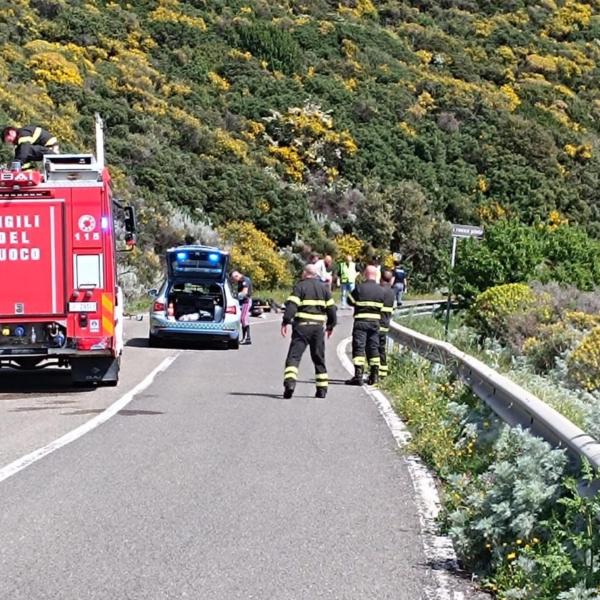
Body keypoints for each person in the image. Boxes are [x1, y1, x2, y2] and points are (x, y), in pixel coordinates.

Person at [281, 263, 337, 399]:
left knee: (294, 357)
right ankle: (322, 389)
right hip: (317, 328)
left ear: (305, 273)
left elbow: (292, 306)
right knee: (318, 358)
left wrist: (286, 321)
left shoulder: (300, 286)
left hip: (301, 327)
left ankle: (290, 384)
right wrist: (330, 325)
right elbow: (331, 310)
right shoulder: (324, 288)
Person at [346, 265, 385, 386]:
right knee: (374, 348)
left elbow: (349, 300)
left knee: (359, 347)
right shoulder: (381, 290)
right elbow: (383, 306)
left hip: (361, 322)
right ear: (376, 275)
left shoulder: (359, 288)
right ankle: (374, 376)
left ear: (365, 274)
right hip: (375, 323)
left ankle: (358, 376)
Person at [378, 269, 396, 380]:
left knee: (373, 349)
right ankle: (383, 372)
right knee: (382, 349)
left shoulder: (379, 291)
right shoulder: (391, 293)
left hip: (376, 323)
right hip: (385, 323)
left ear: (381, 278)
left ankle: (375, 372)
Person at [230, 270, 253, 345]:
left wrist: (236, 295)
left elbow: (244, 292)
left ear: (236, 276)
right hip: (242, 302)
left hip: (246, 301)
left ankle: (247, 338)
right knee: (243, 319)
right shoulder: (240, 281)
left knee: (243, 319)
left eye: (233, 279)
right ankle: (246, 338)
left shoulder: (245, 280)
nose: (234, 281)